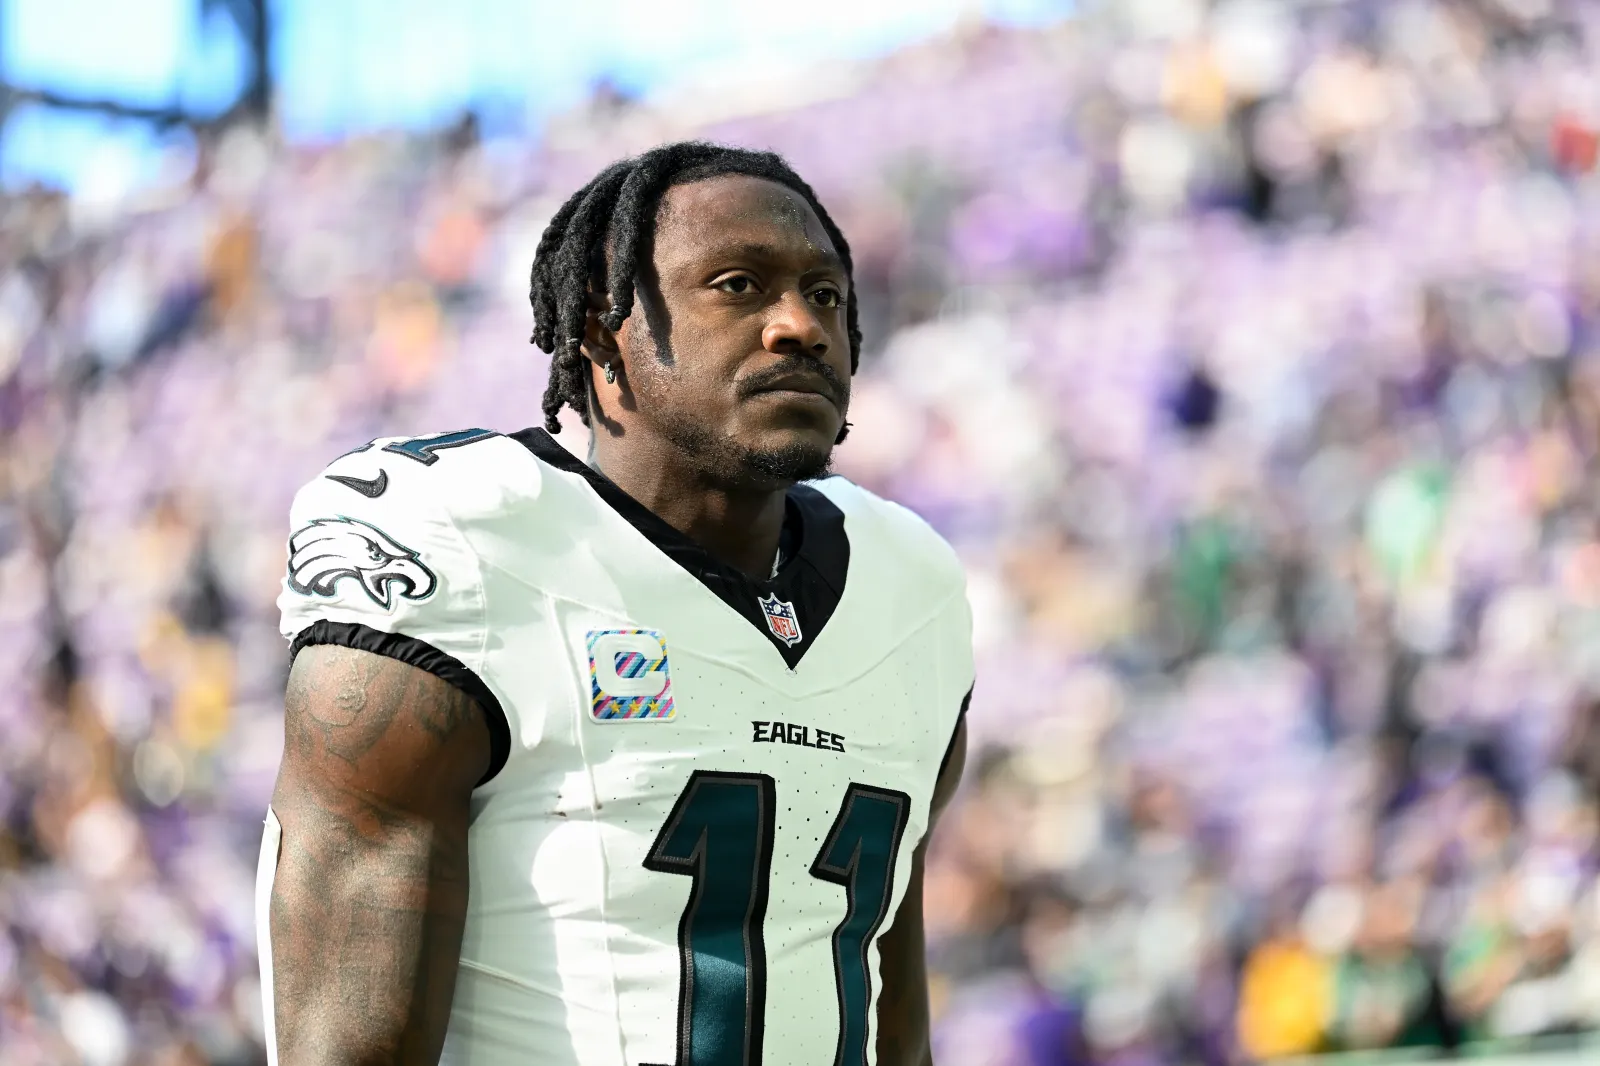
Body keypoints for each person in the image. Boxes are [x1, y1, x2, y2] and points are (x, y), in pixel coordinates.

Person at [257, 141, 974, 1066]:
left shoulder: (909, 587)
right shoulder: (471, 544)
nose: (799, 323)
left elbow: (885, 1000)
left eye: (825, 293)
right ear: (601, 334)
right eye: (738, 285)